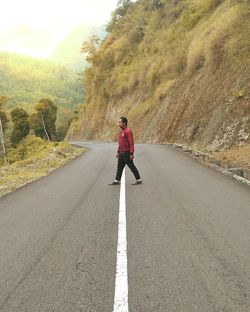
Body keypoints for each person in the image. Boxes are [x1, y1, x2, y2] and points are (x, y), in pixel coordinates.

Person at [109, 116, 142, 185]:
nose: (118, 124)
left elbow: (131, 143)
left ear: (124, 123)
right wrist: (118, 152)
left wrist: (131, 153)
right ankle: (116, 180)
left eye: (120, 122)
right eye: (118, 122)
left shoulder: (128, 131)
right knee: (119, 167)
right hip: (121, 153)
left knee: (131, 166)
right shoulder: (121, 132)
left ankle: (138, 179)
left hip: (127, 153)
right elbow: (120, 143)